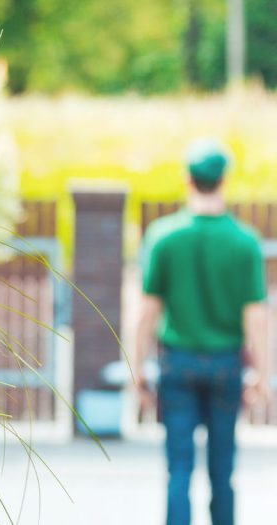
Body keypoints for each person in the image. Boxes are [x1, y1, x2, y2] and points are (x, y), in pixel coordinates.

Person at [132, 139, 269, 525]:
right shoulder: (244, 243)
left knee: (179, 469)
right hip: (226, 364)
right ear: (223, 180)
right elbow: (255, 318)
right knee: (223, 472)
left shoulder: (164, 236)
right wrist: (262, 372)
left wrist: (137, 367)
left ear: (187, 180)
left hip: (177, 364)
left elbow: (147, 313)